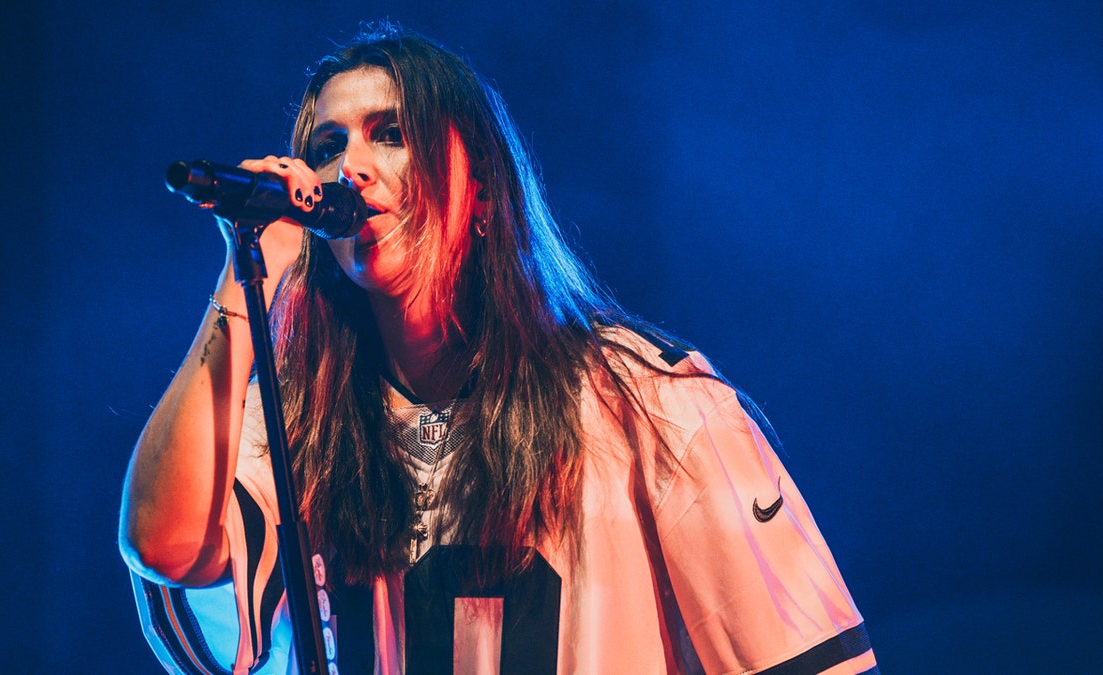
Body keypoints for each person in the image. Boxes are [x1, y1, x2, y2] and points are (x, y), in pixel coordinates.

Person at [119, 22, 877, 675]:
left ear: (480, 190)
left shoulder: (650, 404)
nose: (348, 166)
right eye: (328, 144)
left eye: (392, 134)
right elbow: (165, 543)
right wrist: (243, 270)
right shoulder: (303, 426)